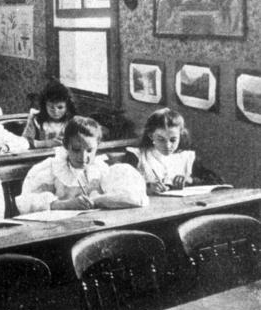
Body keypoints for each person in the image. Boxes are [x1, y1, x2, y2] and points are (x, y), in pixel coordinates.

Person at [16, 116, 148, 214]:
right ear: (66, 145)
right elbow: (26, 203)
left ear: (98, 147)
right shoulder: (51, 169)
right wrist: (65, 204)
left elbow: (134, 198)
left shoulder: (100, 170)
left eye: (90, 150)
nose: (83, 157)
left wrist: (99, 200)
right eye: (76, 149)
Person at [124, 108, 223, 195]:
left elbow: (218, 182)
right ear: (150, 135)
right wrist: (147, 187)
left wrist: (190, 180)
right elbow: (120, 187)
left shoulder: (186, 157)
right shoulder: (137, 156)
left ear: (180, 136)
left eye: (173, 140)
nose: (167, 145)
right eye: (161, 139)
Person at [22, 80, 76, 149]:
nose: (56, 112)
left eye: (60, 107)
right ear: (45, 106)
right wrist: (46, 143)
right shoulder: (36, 120)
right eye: (51, 107)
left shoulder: (72, 121)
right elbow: (24, 141)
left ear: (67, 106)